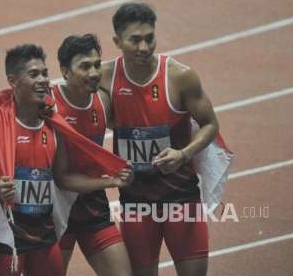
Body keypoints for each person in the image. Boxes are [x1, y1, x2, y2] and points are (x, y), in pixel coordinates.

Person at [0, 44, 134, 276]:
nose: (42, 80)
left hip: (44, 236)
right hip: (8, 238)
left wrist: (112, 181)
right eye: (34, 74)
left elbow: (63, 177)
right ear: (13, 80)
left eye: (45, 73)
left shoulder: (54, 126)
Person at [99, 3, 221, 276]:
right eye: (135, 40)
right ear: (117, 41)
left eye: (149, 38)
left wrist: (184, 154)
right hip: (135, 201)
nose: (144, 47)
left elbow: (210, 124)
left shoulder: (180, 76)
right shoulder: (104, 78)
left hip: (180, 197)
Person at [52, 34, 132, 276]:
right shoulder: (49, 105)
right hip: (55, 210)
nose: (94, 72)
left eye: (97, 64)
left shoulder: (103, 102)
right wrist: (110, 181)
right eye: (85, 66)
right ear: (65, 72)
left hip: (92, 206)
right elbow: (61, 178)